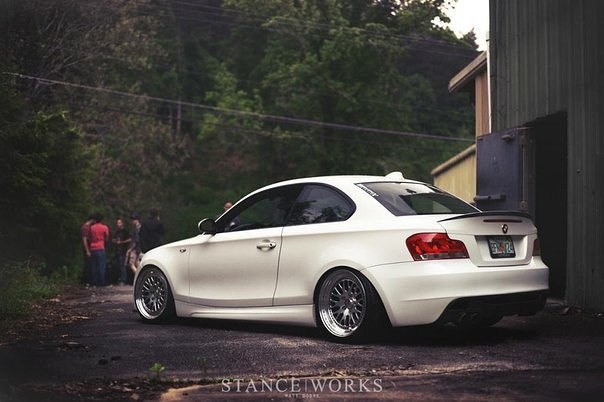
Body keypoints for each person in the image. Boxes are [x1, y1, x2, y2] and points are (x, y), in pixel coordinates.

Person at [89, 213, 110, 286]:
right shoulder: (104, 227)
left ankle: (95, 282)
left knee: (94, 266)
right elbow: (107, 238)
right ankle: (101, 282)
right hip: (101, 247)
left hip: (93, 247)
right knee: (101, 266)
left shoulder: (91, 228)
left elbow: (90, 237)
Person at [112, 218, 131, 285]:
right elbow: (114, 239)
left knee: (122, 266)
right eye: (117, 223)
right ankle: (120, 279)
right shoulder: (116, 232)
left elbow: (130, 239)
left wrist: (121, 242)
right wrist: (114, 241)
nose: (118, 224)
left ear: (122, 223)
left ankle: (124, 280)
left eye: (119, 223)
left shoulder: (125, 231)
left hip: (123, 251)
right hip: (117, 251)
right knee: (119, 266)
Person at [125, 213, 142, 282]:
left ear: (136, 220)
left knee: (131, 263)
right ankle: (141, 277)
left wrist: (130, 249)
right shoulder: (138, 228)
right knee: (137, 264)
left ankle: (140, 278)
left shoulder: (137, 228)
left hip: (136, 248)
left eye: (133, 220)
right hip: (139, 248)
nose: (132, 222)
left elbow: (136, 240)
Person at [80, 215, 94, 285]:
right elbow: (84, 239)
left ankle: (89, 280)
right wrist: (87, 250)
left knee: (90, 264)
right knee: (88, 265)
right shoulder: (85, 227)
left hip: (90, 247)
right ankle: (86, 281)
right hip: (87, 248)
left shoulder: (89, 227)